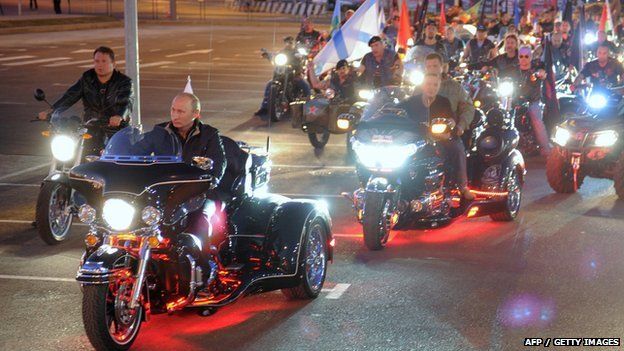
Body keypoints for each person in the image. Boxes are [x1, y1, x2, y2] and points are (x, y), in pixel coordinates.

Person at [38, 46, 133, 157]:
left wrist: (119, 116)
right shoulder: (87, 78)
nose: (100, 65)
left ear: (113, 64)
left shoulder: (124, 82)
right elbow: (71, 95)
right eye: (97, 61)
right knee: (77, 152)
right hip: (91, 126)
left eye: (104, 61)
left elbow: (126, 102)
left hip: (115, 130)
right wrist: (52, 110)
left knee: (114, 157)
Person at [398, 73, 474, 199]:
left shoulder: (443, 102)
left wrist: (451, 124)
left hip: (440, 138)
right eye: (428, 84)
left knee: (457, 148)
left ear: (438, 87)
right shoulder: (412, 102)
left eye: (435, 85)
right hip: (417, 140)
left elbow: (450, 119)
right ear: (423, 85)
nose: (431, 87)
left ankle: (462, 186)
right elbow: (398, 111)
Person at [158, 93, 226, 183]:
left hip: (194, 188)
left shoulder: (210, 134)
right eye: (173, 110)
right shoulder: (159, 131)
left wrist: (210, 182)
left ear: (195, 113)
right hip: (163, 186)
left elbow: (218, 164)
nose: (175, 115)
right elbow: (138, 152)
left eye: (180, 111)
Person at [255, 37, 311, 118]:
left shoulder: (297, 53)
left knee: (305, 85)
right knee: (269, 84)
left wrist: (302, 57)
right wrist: (268, 55)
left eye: (290, 43)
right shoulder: (281, 52)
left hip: (294, 75)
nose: (288, 44)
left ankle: (308, 107)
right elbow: (274, 58)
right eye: (287, 42)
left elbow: (303, 59)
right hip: (282, 75)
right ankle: (264, 107)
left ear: (293, 44)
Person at [512, 46, 550, 157]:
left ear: (531, 57)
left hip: (532, 100)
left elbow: (542, 72)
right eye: (521, 56)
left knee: (536, 120)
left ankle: (545, 148)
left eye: (526, 56)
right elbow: (503, 73)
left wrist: (541, 74)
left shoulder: (536, 67)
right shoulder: (514, 69)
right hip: (515, 101)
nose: (523, 59)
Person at [424, 53, 475, 138]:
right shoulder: (419, 88)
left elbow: (468, 107)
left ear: (441, 67)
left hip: (448, 131)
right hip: (424, 132)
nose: (432, 69)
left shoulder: (454, 87)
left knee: (457, 150)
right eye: (429, 67)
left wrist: (460, 126)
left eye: (435, 66)